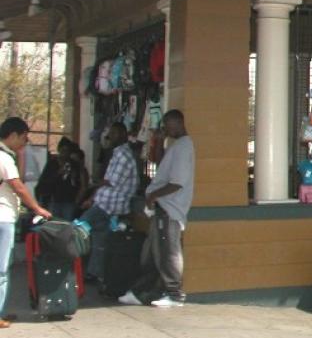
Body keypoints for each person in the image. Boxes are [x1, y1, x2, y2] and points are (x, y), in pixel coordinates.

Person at [119, 110, 194, 308]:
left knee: (169, 251)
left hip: (170, 208)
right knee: (152, 252)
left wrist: (153, 196)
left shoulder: (184, 147)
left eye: (168, 125)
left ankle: (175, 293)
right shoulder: (176, 147)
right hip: (162, 207)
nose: (166, 129)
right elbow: (160, 166)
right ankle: (140, 292)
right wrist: (159, 142)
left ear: (178, 122)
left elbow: (177, 182)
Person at [0, 117, 52, 327]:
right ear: (12, 135)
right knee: (2, 270)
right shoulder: (4, 158)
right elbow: (19, 187)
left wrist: (20, 155)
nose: (25, 141)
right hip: (3, 218)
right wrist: (38, 208)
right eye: (23, 137)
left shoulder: (7, 156)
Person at [80, 123, 138, 286]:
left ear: (122, 135)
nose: (108, 137)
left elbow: (112, 182)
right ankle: (94, 272)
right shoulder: (117, 153)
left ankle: (67, 266)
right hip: (104, 203)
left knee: (77, 229)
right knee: (99, 240)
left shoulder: (124, 155)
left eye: (112, 134)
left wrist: (94, 185)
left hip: (111, 205)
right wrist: (92, 197)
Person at [35, 136, 88, 220]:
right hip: (53, 200)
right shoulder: (52, 164)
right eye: (63, 151)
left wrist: (77, 200)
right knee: (54, 224)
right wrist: (58, 173)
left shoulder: (74, 164)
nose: (65, 154)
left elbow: (82, 183)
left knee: (67, 226)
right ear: (59, 150)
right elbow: (44, 182)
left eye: (67, 151)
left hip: (69, 201)